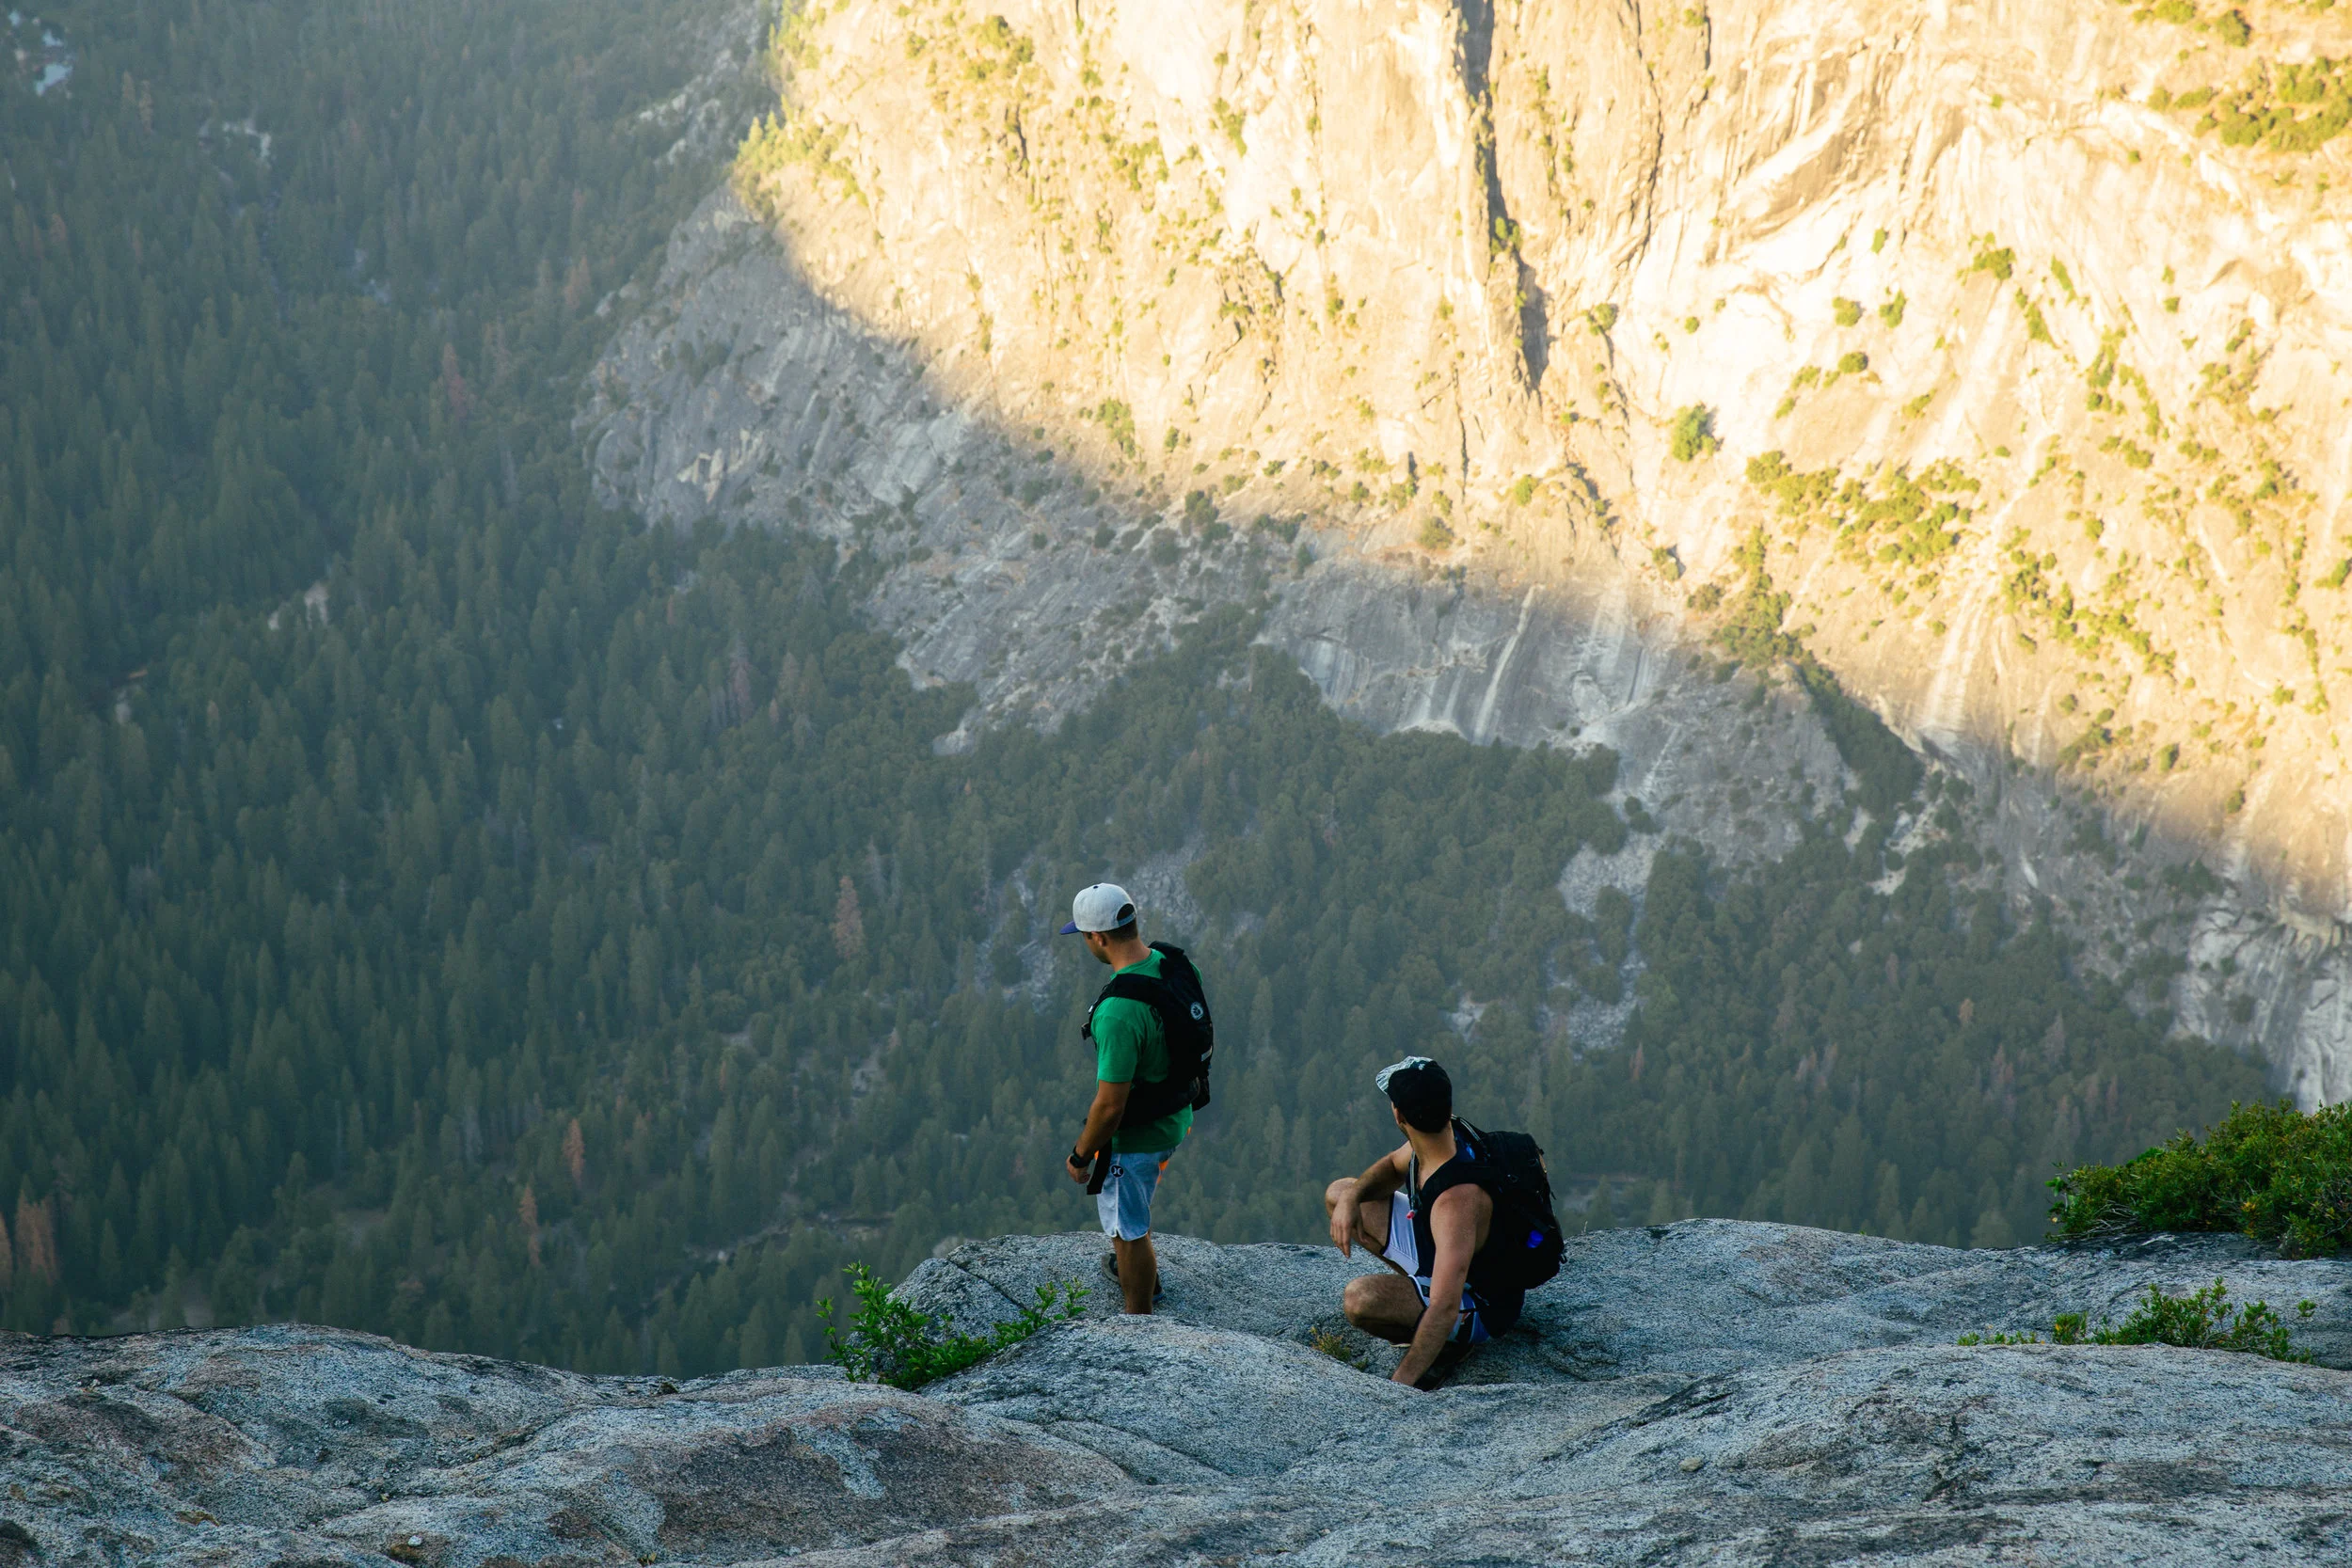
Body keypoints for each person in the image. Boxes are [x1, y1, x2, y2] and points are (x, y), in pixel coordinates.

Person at [1323, 1056, 1525, 1388]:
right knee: (1340, 1194)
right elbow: (1393, 1166)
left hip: (1477, 1302)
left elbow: (1444, 1308)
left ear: (1399, 1116)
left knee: (1361, 1299)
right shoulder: (1443, 1135)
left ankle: (1451, 1346)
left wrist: (1397, 1389)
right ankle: (1421, 1294)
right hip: (1441, 1247)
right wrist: (1351, 1199)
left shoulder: (1456, 1200)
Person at [1058, 882, 1208, 1314]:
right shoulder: (1176, 965)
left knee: (1127, 1231)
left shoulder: (1118, 1012)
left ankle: (1139, 1315)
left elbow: (1110, 1106)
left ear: (1097, 937)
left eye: (1084, 936)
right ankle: (1136, 1270)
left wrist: (1081, 1155)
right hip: (1177, 1112)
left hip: (1138, 1137)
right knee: (1133, 1210)